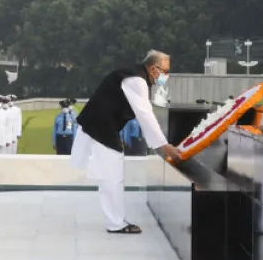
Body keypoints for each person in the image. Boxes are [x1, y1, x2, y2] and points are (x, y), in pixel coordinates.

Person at [70, 50, 182, 234]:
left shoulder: (135, 76)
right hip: (101, 125)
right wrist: (164, 145)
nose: (166, 75)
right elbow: (145, 114)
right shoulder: (136, 80)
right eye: (165, 71)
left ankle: (116, 220)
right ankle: (116, 223)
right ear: (153, 69)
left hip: (101, 124)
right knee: (113, 174)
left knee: (111, 173)